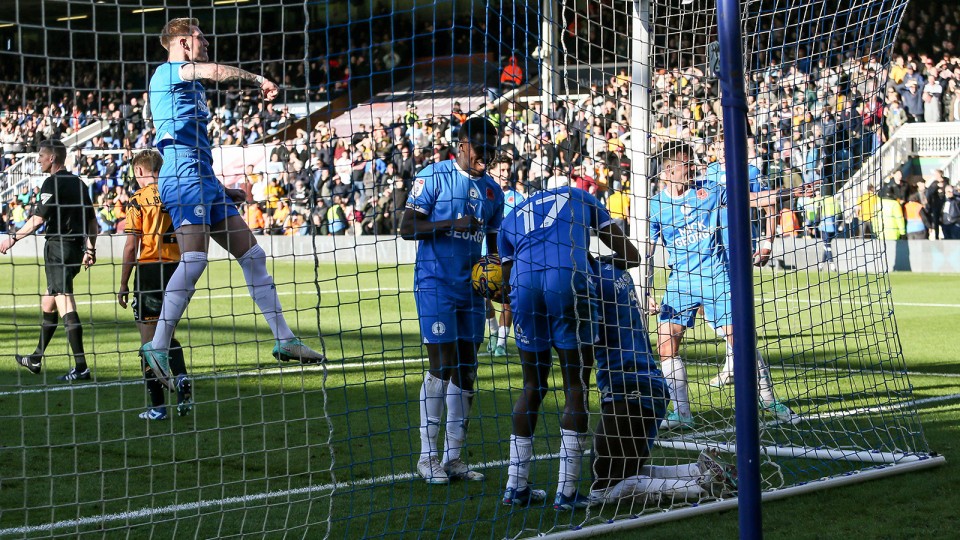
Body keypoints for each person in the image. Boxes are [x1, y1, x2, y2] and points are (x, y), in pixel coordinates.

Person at [140, 18, 325, 388]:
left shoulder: (187, 85)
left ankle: (284, 339)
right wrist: (259, 80)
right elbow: (214, 71)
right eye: (200, 36)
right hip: (182, 173)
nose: (206, 41)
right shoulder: (168, 72)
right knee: (194, 260)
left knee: (253, 256)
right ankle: (157, 344)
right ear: (182, 43)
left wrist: (223, 190)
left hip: (204, 177)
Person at [498, 183, 641, 510]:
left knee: (532, 385)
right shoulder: (582, 196)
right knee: (575, 387)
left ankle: (514, 487)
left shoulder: (511, 216)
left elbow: (505, 283)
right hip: (568, 278)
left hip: (523, 281)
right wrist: (591, 260)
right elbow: (630, 256)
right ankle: (566, 493)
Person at [645, 141, 800, 429]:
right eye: (685, 163)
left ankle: (768, 400)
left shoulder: (710, 190)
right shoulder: (655, 207)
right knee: (666, 342)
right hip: (681, 280)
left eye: (692, 161)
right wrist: (646, 291)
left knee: (739, 340)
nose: (692, 167)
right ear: (668, 170)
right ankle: (681, 412)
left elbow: (753, 199)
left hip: (717, 276)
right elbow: (647, 251)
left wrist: (786, 194)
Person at [399, 116, 504, 485]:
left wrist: (498, 285)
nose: (487, 156)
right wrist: (449, 225)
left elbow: (494, 250)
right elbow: (406, 227)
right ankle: (427, 458)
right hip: (435, 284)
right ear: (461, 145)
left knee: (467, 370)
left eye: (493, 148)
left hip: (471, 291)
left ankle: (454, 457)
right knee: (441, 365)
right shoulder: (433, 176)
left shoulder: (494, 192)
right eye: (481, 148)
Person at [587, 257, 737, 504]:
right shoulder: (612, 271)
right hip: (648, 385)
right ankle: (696, 471)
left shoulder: (587, 282)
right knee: (621, 474)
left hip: (627, 390)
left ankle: (701, 488)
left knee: (601, 489)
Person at [1, 139, 98, 381]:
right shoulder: (79, 183)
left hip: (58, 249)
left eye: (42, 156)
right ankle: (35, 358)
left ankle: (81, 367)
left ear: (53, 158)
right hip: (74, 250)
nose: (38, 160)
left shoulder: (51, 182)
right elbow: (92, 223)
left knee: (64, 301)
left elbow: (37, 220)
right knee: (49, 302)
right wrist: (90, 250)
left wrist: (12, 238)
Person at [117, 149, 191, 420]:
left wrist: (124, 283)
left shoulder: (139, 199)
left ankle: (157, 407)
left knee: (149, 342)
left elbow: (130, 246)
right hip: (179, 270)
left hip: (150, 271)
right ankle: (181, 378)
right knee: (167, 333)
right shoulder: (178, 192)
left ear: (139, 171)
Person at [484, 153, 524, 357]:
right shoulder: (485, 191)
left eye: (508, 170)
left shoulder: (517, 198)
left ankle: (500, 342)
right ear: (491, 171)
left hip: (508, 255)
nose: (506, 174)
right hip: (484, 253)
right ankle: (492, 332)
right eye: (502, 170)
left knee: (507, 299)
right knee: (483, 298)